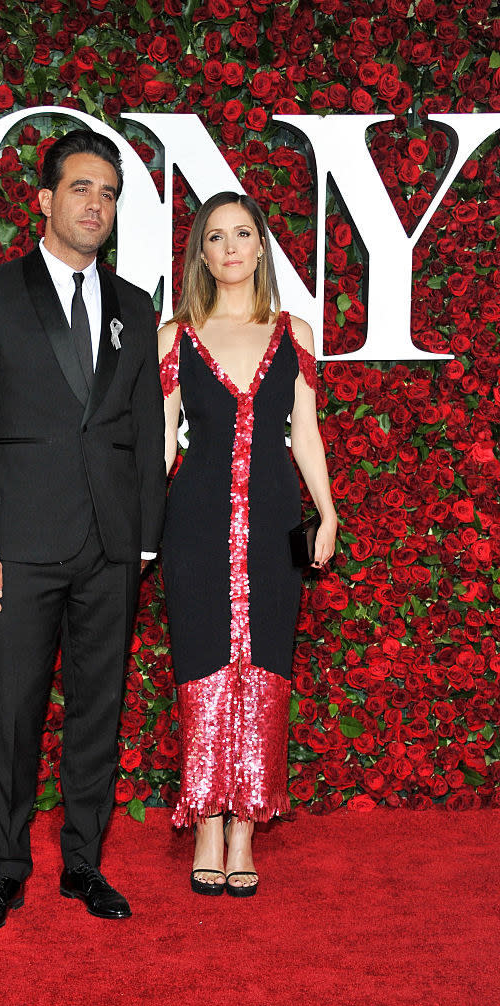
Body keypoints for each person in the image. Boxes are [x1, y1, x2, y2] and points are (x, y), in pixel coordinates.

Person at [0, 129, 165, 931]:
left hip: (111, 547)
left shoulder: (136, 307)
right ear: (44, 199)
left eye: (108, 193)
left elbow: (143, 430)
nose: (95, 204)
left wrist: (143, 542)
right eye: (80, 188)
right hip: (19, 547)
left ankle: (83, 863)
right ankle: (4, 869)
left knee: (97, 713)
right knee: (14, 714)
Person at [157, 191, 336, 897]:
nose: (230, 247)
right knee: (201, 662)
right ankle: (205, 819)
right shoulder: (176, 334)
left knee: (267, 664)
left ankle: (246, 826)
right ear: (200, 254)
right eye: (214, 237)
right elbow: (160, 440)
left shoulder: (296, 335)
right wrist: (140, 526)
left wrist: (328, 513)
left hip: (275, 521)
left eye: (242, 234)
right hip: (193, 523)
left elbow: (308, 433)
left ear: (261, 246)